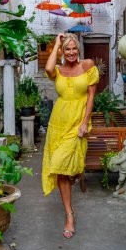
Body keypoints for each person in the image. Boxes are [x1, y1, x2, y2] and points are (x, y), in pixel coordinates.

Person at [42, 32, 99, 239]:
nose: (72, 52)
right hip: (58, 123)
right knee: (60, 168)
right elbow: (48, 69)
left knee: (65, 164)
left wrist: (85, 122)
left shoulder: (88, 65)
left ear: (79, 50)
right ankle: (69, 214)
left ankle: (72, 175)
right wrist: (56, 43)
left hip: (78, 123)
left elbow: (91, 96)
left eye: (74, 48)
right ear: (63, 51)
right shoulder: (58, 70)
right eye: (68, 49)